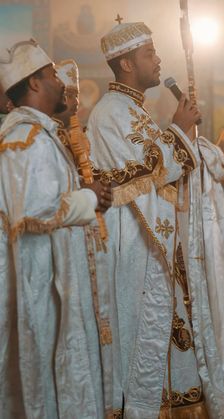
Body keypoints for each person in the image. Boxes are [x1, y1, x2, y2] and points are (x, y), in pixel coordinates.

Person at [87, 21, 224, 418]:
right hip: (138, 247)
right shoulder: (109, 113)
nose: (158, 59)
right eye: (150, 53)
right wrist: (180, 131)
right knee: (144, 340)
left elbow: (162, 173)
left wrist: (188, 143)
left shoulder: (135, 109)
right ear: (127, 63)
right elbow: (135, 176)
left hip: (162, 245)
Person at [0, 39, 113, 419]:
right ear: (33, 83)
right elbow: (33, 210)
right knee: (42, 379)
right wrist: (87, 200)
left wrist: (88, 196)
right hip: (38, 285)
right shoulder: (22, 139)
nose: (59, 81)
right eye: (50, 75)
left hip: (54, 280)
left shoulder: (41, 134)